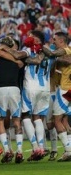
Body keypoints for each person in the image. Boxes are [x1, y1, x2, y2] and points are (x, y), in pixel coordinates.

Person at [1, 30, 52, 161]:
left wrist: (5, 48)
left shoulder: (30, 49)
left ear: (36, 38)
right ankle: (41, 147)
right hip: (45, 88)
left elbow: (18, 55)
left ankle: (35, 148)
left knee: (25, 115)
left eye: (30, 36)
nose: (28, 37)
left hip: (31, 87)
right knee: (38, 117)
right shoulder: (48, 52)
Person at [0, 37, 24, 163]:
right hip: (14, 89)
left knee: (0, 121)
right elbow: (20, 65)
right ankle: (19, 151)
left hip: (0, 89)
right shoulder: (17, 58)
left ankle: (7, 150)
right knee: (17, 120)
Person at [42, 32, 71, 161]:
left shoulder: (65, 50)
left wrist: (40, 46)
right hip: (68, 88)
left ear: (61, 40)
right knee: (64, 120)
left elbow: (52, 54)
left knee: (56, 120)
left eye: (55, 40)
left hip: (64, 89)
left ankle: (68, 150)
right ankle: (69, 148)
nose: (53, 42)